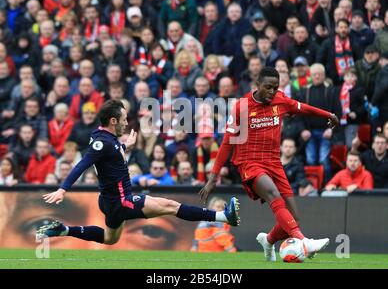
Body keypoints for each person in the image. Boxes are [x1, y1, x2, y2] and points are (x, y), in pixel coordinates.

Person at [37, 100, 240, 245]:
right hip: (122, 200)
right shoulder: (102, 142)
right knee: (171, 206)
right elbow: (82, 164)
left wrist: (126, 148)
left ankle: (64, 230)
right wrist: (63, 189)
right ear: (113, 121)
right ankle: (223, 216)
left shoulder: (105, 138)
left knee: (110, 239)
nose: (127, 123)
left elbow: (110, 161)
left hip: (111, 201)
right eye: (124, 119)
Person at [200, 66, 340, 262]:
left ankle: (268, 240)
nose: (272, 92)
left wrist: (328, 115)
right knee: (274, 195)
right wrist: (213, 178)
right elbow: (226, 142)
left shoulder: (280, 100)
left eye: (276, 87)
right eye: (268, 87)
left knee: (293, 218)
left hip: (274, 163)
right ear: (257, 85)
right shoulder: (241, 106)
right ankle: (303, 240)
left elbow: (301, 107)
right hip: (250, 163)